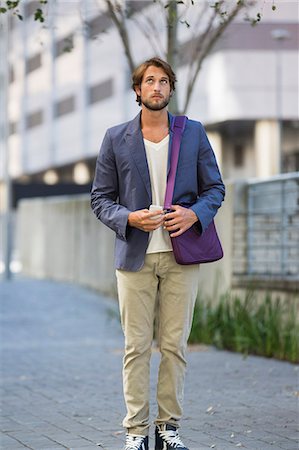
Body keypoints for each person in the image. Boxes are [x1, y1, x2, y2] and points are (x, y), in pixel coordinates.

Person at [91, 57, 225, 450]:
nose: (157, 87)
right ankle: (136, 432)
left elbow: (214, 188)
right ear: (137, 90)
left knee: (174, 346)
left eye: (164, 81)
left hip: (181, 256)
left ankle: (168, 429)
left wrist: (193, 213)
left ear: (171, 89)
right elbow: (100, 198)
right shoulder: (116, 138)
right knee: (136, 348)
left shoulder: (193, 133)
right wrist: (129, 218)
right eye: (149, 81)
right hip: (135, 258)